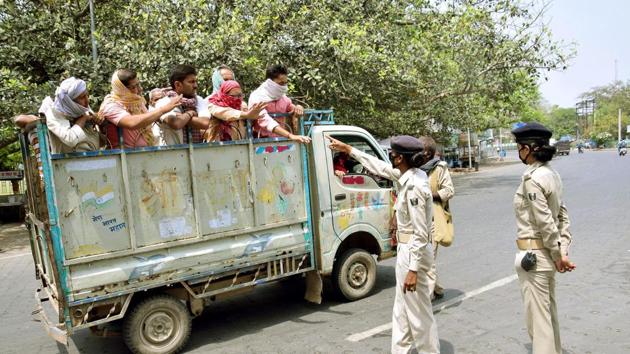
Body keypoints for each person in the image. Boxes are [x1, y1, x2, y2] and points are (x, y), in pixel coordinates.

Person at [327, 135, 440, 354]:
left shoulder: (415, 186)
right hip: (408, 251)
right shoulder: (409, 175)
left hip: (413, 253)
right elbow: (378, 166)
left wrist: (413, 270)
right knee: (402, 312)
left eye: (393, 153)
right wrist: (349, 149)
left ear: (400, 158)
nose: (390, 156)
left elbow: (420, 233)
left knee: (419, 315)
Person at [512, 122, 575, 354]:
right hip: (546, 256)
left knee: (538, 324)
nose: (519, 152)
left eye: (520, 147)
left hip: (534, 257)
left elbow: (546, 221)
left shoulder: (533, 179)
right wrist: (562, 251)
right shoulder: (552, 174)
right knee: (548, 317)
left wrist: (559, 255)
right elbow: (562, 216)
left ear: (528, 148)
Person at [99, 69, 181, 149]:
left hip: (145, 153)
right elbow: (132, 122)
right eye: (133, 87)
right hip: (125, 158)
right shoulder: (111, 104)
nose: (140, 89)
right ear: (122, 89)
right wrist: (163, 110)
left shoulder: (137, 101)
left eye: (138, 84)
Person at [419, 136, 454, 301]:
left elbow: (449, 190)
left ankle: (428, 296)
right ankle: (438, 288)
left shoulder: (439, 168)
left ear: (429, 153)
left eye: (421, 151)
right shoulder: (415, 168)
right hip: (418, 220)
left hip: (433, 219)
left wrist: (431, 195)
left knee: (429, 257)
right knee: (424, 257)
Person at [248, 64, 311, 143]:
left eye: (285, 83)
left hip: (281, 141)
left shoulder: (282, 97)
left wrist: (298, 107)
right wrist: (290, 135)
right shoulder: (257, 97)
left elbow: (291, 107)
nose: (284, 86)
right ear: (270, 83)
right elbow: (264, 120)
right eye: (281, 83)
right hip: (261, 142)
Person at [154, 64, 211, 145]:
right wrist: (190, 113)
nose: (195, 86)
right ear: (177, 84)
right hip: (173, 153)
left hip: (196, 152)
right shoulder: (164, 102)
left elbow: (205, 123)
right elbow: (176, 124)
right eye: (191, 82)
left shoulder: (198, 100)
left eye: (195, 81)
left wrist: (182, 116)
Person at [44, 77, 104, 154]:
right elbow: (70, 139)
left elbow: (101, 142)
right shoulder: (54, 114)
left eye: (87, 95)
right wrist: (83, 119)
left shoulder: (82, 109)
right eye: (82, 97)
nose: (87, 101)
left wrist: (100, 124)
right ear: (69, 101)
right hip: (68, 163)